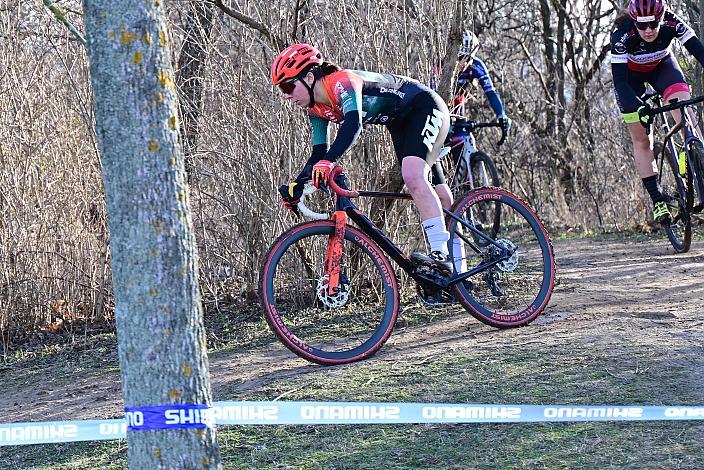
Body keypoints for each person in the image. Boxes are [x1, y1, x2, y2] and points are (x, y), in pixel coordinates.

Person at [272, 43, 454, 274]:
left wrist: (329, 162)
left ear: (309, 77)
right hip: (399, 123)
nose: (287, 96)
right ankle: (456, 277)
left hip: (424, 105)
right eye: (282, 90)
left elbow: (353, 123)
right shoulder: (315, 109)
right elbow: (319, 153)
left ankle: (441, 255)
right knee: (440, 196)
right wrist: (297, 184)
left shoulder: (341, 82)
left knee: (413, 176)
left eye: (289, 86)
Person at [610, 0, 704, 223]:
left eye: (654, 24)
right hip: (631, 81)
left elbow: (698, 51)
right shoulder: (621, 34)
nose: (649, 30)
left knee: (686, 112)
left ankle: (690, 156)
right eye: (642, 26)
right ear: (634, 21)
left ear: (662, 18)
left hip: (663, 68)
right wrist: (637, 105)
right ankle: (658, 201)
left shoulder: (673, 22)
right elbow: (620, 82)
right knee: (642, 139)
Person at [447, 30, 510, 158]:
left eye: (468, 58)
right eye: (460, 58)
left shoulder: (476, 66)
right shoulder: (442, 65)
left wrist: (501, 115)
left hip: (457, 108)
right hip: (440, 108)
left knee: (464, 141)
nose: (463, 63)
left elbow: (490, 92)